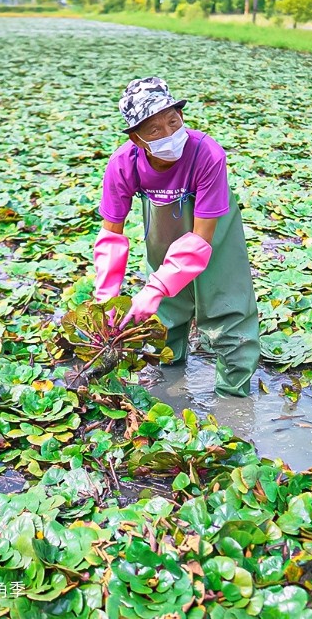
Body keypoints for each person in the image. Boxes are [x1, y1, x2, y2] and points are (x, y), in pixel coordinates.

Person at [92, 76, 261, 398]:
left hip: (212, 228)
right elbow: (111, 235)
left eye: (174, 121)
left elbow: (201, 239)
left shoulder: (206, 154)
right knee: (166, 306)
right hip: (163, 227)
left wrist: (154, 286)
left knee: (225, 303)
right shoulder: (123, 164)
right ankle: (169, 372)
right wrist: (106, 301)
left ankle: (233, 395)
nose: (169, 134)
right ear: (136, 138)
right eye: (154, 130)